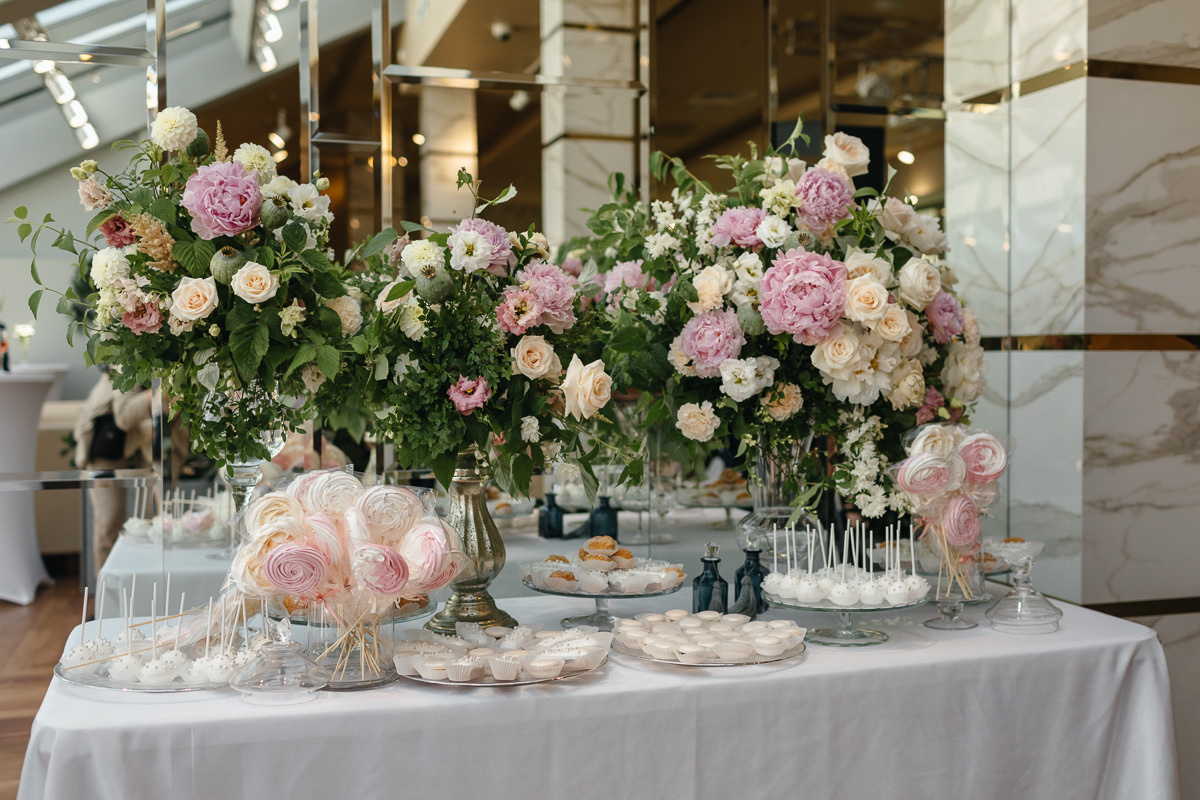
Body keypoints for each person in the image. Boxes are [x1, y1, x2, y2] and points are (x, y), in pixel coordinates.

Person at [73, 371, 153, 574]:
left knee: (154, 520)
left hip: (147, 440)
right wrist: (161, 395)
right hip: (106, 442)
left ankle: (143, 590)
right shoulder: (127, 359)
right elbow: (124, 416)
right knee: (109, 521)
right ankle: (105, 594)